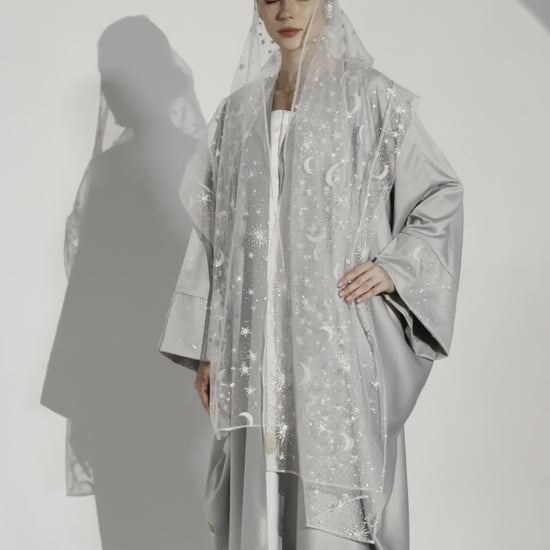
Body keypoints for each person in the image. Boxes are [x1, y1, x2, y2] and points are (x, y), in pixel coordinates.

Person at [158, 1, 464, 549]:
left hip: (334, 347)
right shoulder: (237, 114)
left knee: (329, 501)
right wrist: (209, 348)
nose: (286, 10)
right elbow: (215, 237)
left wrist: (393, 269)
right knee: (262, 498)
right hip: (256, 349)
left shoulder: (369, 98)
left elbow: (440, 194)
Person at [40, 15, 206, 549]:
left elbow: (90, 298)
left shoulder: (170, 168)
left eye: (115, 78)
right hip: (152, 396)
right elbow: (91, 296)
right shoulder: (189, 162)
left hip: (164, 397)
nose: (109, 93)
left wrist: (83, 406)